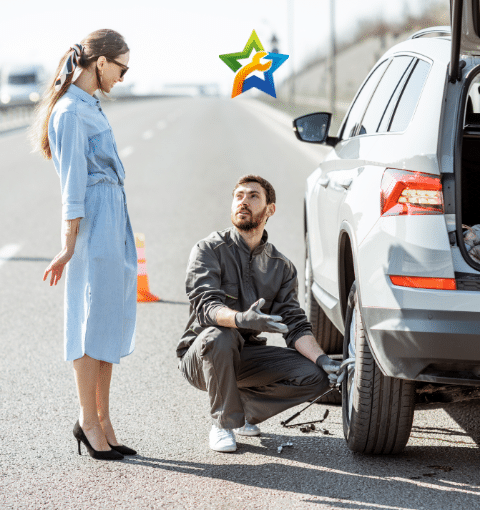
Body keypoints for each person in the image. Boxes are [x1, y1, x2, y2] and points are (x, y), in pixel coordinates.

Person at [177, 174, 343, 453]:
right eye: (239, 196)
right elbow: (206, 308)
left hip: (246, 356)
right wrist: (241, 319)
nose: (244, 201)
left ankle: (240, 412)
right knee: (221, 336)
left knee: (317, 375)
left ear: (269, 210)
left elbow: (295, 324)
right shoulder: (208, 249)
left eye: (253, 196)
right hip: (202, 355)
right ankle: (223, 423)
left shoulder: (281, 267)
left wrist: (323, 358)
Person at [32, 29, 137, 461]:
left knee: (108, 322)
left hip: (112, 216)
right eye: (121, 67)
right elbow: (72, 187)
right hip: (93, 220)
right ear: (99, 62)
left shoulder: (90, 105)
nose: (124, 77)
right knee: (89, 321)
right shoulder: (71, 112)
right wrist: (67, 245)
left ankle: (104, 419)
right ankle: (87, 421)